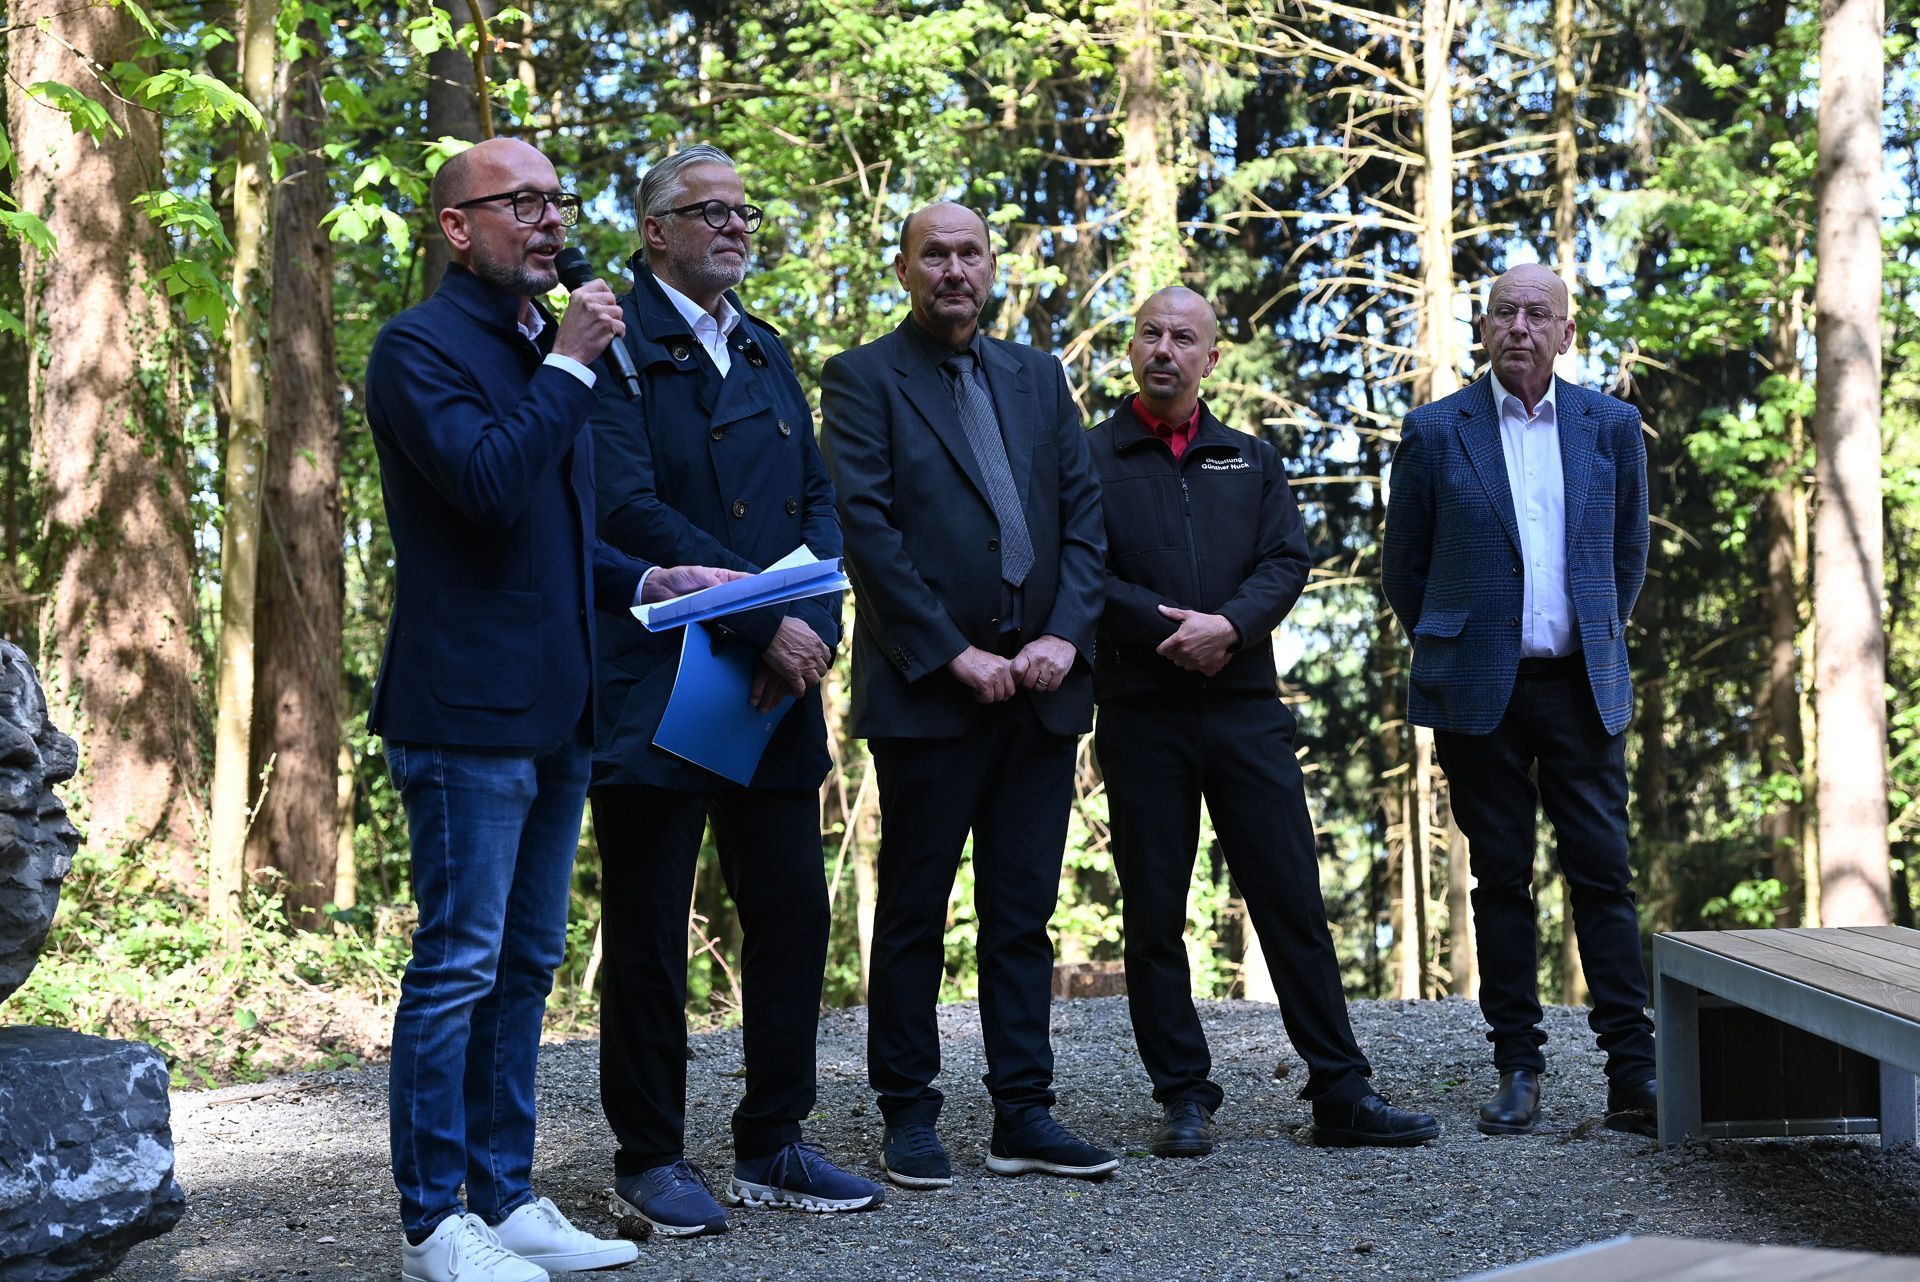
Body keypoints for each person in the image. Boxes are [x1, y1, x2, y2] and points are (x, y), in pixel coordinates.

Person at [365, 136, 732, 1282]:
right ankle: (434, 1222)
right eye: (517, 203)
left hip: (559, 710)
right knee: (460, 964)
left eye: (555, 201)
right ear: (456, 227)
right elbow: (485, 489)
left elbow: (553, 540)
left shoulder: (542, 351)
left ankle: (505, 1196)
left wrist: (646, 580)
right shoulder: (417, 350)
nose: (547, 221)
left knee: (526, 964)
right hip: (462, 712)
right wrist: (570, 367)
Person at [586, 144, 881, 1237]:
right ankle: (650, 1156)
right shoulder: (616, 348)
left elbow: (818, 501)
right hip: (662, 678)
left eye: (745, 211)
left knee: (795, 913)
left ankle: (774, 1142)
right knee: (654, 926)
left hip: (773, 687)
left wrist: (815, 629)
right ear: (655, 230)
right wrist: (766, 622)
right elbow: (625, 510)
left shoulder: (765, 348)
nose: (735, 227)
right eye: (708, 211)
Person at [1090, 287, 1442, 1156]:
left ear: (1212, 359)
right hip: (1142, 712)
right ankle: (1182, 1094)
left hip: (1246, 710)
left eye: (1184, 338)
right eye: (1151, 334)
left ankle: (1342, 1091)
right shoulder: (1087, 455)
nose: (1164, 349)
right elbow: (1079, 568)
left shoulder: (1250, 459)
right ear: (1132, 349)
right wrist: (1170, 630)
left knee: (1290, 900)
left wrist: (1232, 628)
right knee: (1154, 913)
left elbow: (1288, 559)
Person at [819, 203, 1115, 1188]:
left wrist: (1065, 636)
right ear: (904, 268)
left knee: (1021, 912)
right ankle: (909, 1112)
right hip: (930, 696)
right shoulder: (863, 379)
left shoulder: (1038, 377)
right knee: (911, 910)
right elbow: (869, 534)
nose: (954, 269)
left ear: (994, 267)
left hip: (1040, 695)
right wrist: (954, 653)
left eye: (969, 253)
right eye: (934, 254)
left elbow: (1084, 520)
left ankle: (1023, 1111)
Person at [1381, 263, 1657, 1138]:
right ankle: (1517, 1068)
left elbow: (1628, 557)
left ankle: (1634, 1076)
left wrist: (1599, 634)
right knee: (1500, 880)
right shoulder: (1434, 432)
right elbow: (1405, 571)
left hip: (1582, 686)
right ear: (1485, 327)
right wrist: (1458, 638)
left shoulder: (1611, 427)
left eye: (1540, 314)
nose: (1521, 327)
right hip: (1479, 691)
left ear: (1567, 333)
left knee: (1603, 877)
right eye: (1506, 312)